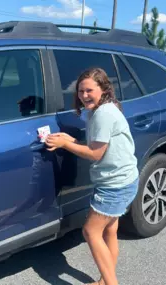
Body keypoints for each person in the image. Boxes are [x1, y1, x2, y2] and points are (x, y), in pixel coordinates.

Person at [45, 67, 139, 285]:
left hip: (114, 185)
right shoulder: (104, 109)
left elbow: (96, 154)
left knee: (90, 231)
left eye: (89, 90)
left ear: (103, 89)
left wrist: (65, 144)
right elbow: (97, 144)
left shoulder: (103, 114)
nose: (84, 95)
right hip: (125, 179)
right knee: (109, 231)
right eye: (80, 91)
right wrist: (72, 140)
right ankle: (104, 282)